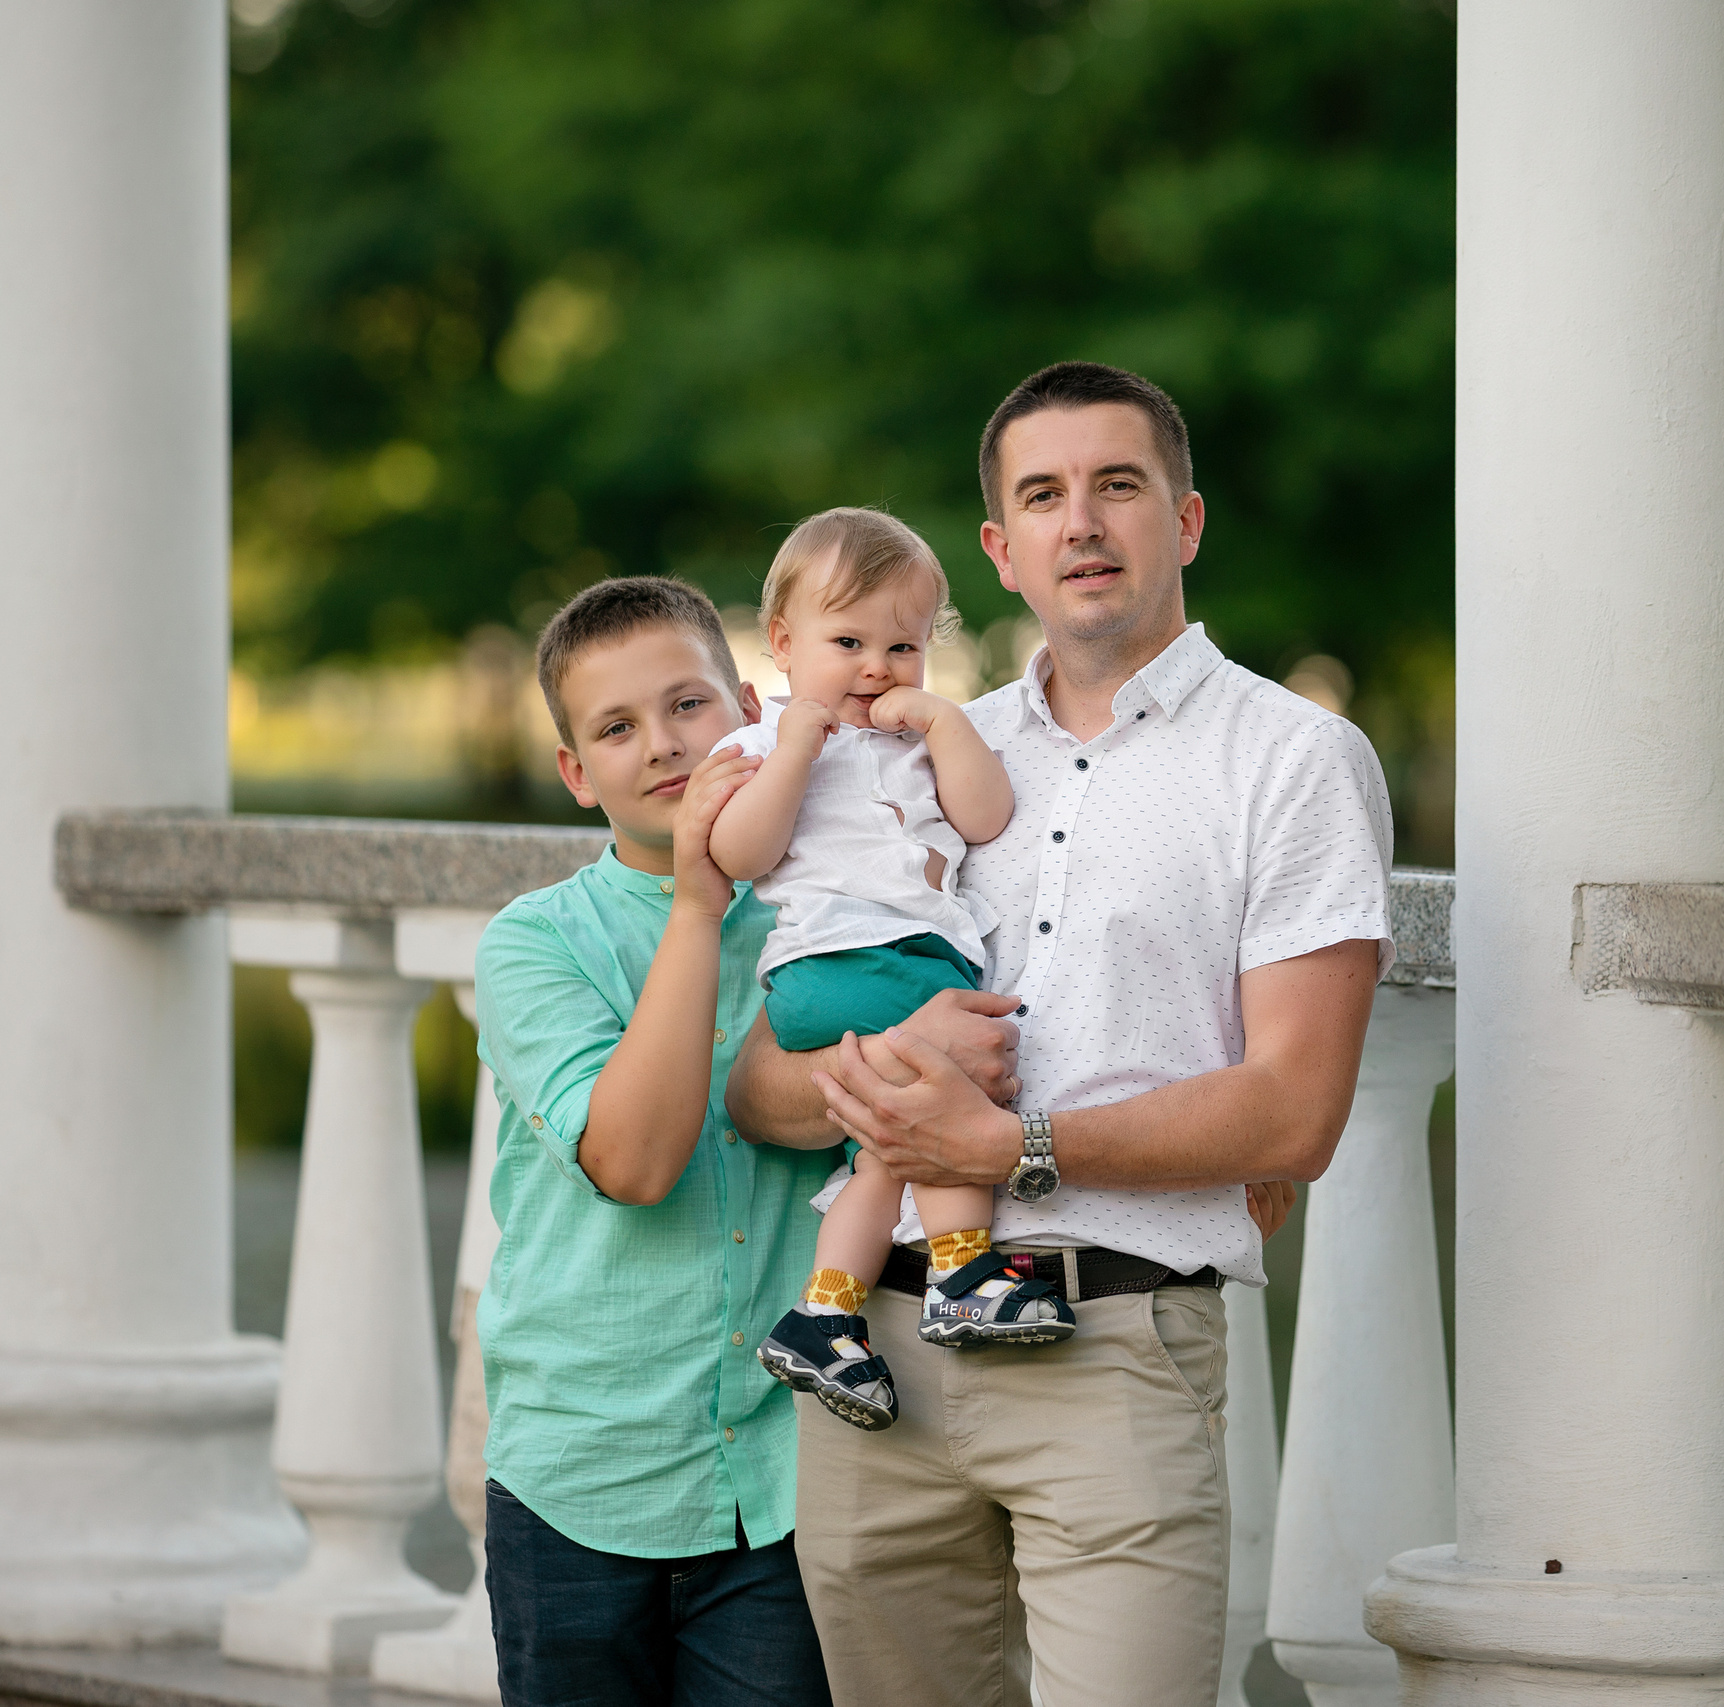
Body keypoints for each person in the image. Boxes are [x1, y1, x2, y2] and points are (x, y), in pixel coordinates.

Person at [726, 362, 1396, 1707]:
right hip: (877, 1360)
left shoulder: (1292, 758)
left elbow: (1295, 1113)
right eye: (1044, 495)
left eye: (1118, 486)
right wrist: (872, 1079)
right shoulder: (910, 747)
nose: (1081, 521)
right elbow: (754, 1087)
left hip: (1112, 1348)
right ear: (1001, 549)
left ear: (1187, 520)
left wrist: (1005, 1140)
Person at [469, 575, 1020, 1705]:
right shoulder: (535, 945)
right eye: (616, 730)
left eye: (688, 705)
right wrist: (694, 902)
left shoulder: (841, 921)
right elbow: (634, 1163)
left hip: (782, 1484)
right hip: (581, 1472)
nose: (665, 747)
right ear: (577, 774)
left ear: (757, 709)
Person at [712, 508, 1069, 1437]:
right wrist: (793, 751)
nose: (877, 668)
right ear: (784, 644)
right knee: (955, 1091)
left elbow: (986, 816)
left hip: (912, 960)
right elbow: (741, 851)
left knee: (888, 1147)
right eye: (848, 641)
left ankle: (825, 1314)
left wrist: (944, 726)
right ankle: (963, 1269)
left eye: (903, 646)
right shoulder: (764, 742)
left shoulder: (919, 739)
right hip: (840, 961)